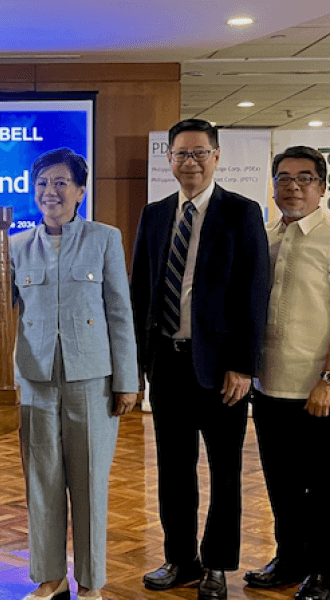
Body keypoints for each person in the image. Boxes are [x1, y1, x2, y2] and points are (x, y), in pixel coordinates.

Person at [0, 147, 138, 600]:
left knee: (88, 484)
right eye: (43, 183)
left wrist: (127, 380)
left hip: (93, 382)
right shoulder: (17, 246)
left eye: (62, 183)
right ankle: (50, 577)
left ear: (80, 191)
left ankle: (90, 582)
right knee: (41, 482)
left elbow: (120, 314)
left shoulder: (105, 239)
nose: (52, 192)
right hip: (35, 381)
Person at [130, 119, 269, 600]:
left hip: (222, 370)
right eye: (180, 153)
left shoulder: (242, 212)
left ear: (216, 157)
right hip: (166, 364)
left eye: (199, 153)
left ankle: (217, 565)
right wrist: (137, 365)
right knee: (173, 468)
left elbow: (255, 293)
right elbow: (140, 293)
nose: (189, 161)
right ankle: (181, 559)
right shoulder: (153, 214)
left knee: (225, 470)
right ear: (168, 159)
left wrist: (245, 365)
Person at [243, 146, 330, 600]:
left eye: (304, 177)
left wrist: (329, 380)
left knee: (322, 486)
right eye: (283, 178)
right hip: (269, 384)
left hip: (317, 389)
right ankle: (289, 559)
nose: (292, 186)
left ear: (321, 185)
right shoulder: (266, 233)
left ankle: (324, 572)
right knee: (282, 485)